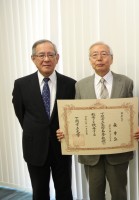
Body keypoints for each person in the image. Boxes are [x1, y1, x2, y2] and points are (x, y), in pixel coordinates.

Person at [57, 41, 139, 200]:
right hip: (91, 154)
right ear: (90, 60)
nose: (99, 58)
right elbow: (76, 117)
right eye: (94, 55)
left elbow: (131, 113)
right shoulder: (80, 85)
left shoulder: (126, 82)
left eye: (104, 54)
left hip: (118, 152)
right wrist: (66, 131)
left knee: (119, 193)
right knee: (95, 194)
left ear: (112, 58)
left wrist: (135, 128)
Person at [12, 39, 75, 199]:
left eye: (50, 55)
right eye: (41, 55)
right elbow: (21, 114)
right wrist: (36, 130)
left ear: (57, 58)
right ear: (33, 58)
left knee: (64, 190)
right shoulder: (21, 85)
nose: (46, 59)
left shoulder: (71, 84)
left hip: (62, 146)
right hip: (34, 147)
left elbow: (74, 117)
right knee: (39, 191)